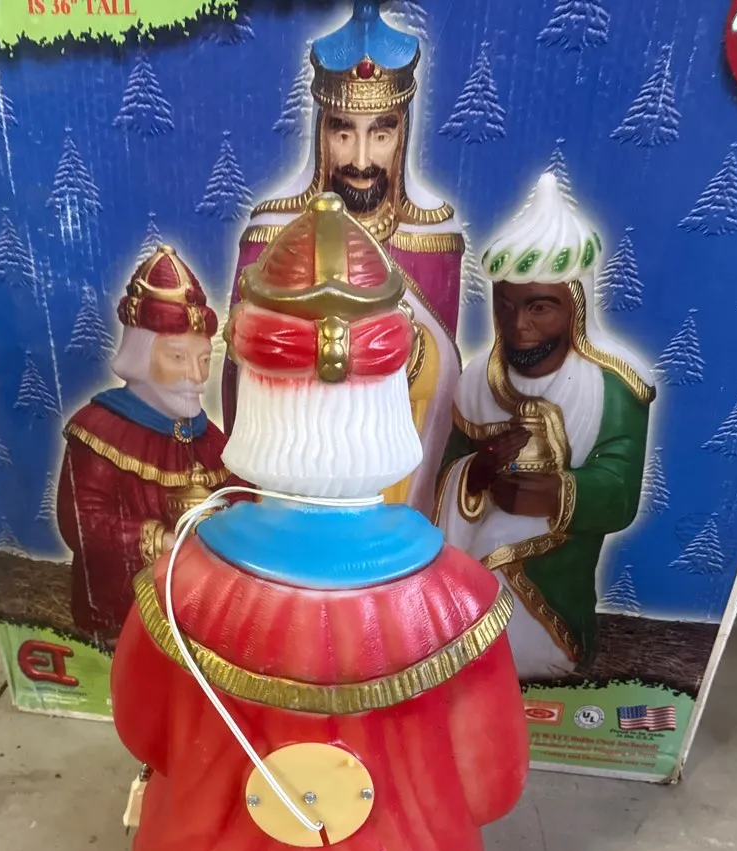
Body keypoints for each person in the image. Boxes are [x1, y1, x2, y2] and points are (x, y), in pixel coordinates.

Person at [112, 194, 528, 851]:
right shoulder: (459, 599)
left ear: (254, 395)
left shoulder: (180, 584)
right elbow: (493, 786)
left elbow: (141, 732)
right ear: (393, 399)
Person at [221, 0, 464, 517]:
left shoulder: (433, 235)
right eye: (343, 131)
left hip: (388, 473)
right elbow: (240, 373)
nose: (360, 159)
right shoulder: (272, 232)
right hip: (291, 464)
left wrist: (405, 352)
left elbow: (444, 388)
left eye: (381, 133)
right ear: (321, 131)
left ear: (403, 134)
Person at [435, 173, 656, 681]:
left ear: (575, 306)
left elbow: (620, 491)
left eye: (540, 307)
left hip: (552, 577)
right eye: (506, 305)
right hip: (468, 565)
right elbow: (449, 469)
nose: (519, 326)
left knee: (529, 655)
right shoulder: (478, 379)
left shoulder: (613, 386)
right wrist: (478, 471)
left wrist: (556, 494)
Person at [56, 246, 231, 647]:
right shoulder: (99, 433)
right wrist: (160, 541)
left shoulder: (208, 437)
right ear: (140, 355)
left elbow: (237, 497)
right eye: (177, 357)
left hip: (199, 600)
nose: (196, 376)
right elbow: (81, 523)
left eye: (204, 360)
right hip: (125, 607)